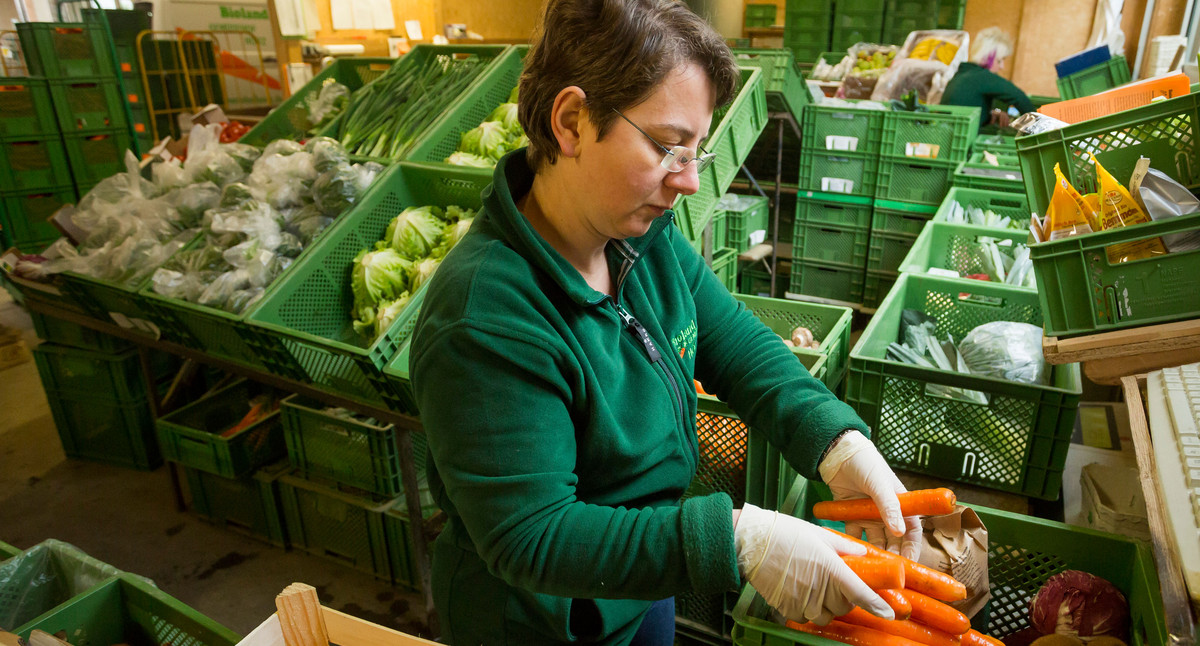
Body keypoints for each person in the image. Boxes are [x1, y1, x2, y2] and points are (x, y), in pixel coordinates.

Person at [409, 0, 922, 643]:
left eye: (696, 152)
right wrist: (734, 539)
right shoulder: (486, 318)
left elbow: (733, 342)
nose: (685, 180)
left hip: (640, 581)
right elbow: (533, 535)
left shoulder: (638, 239)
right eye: (668, 147)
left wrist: (836, 441)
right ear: (571, 123)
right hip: (543, 622)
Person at [940, 26, 1034, 130]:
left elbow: (971, 105)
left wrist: (992, 113)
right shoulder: (981, 77)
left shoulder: (964, 74)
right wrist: (1037, 128)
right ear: (989, 57)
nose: (1002, 66)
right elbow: (1019, 97)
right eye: (1000, 60)